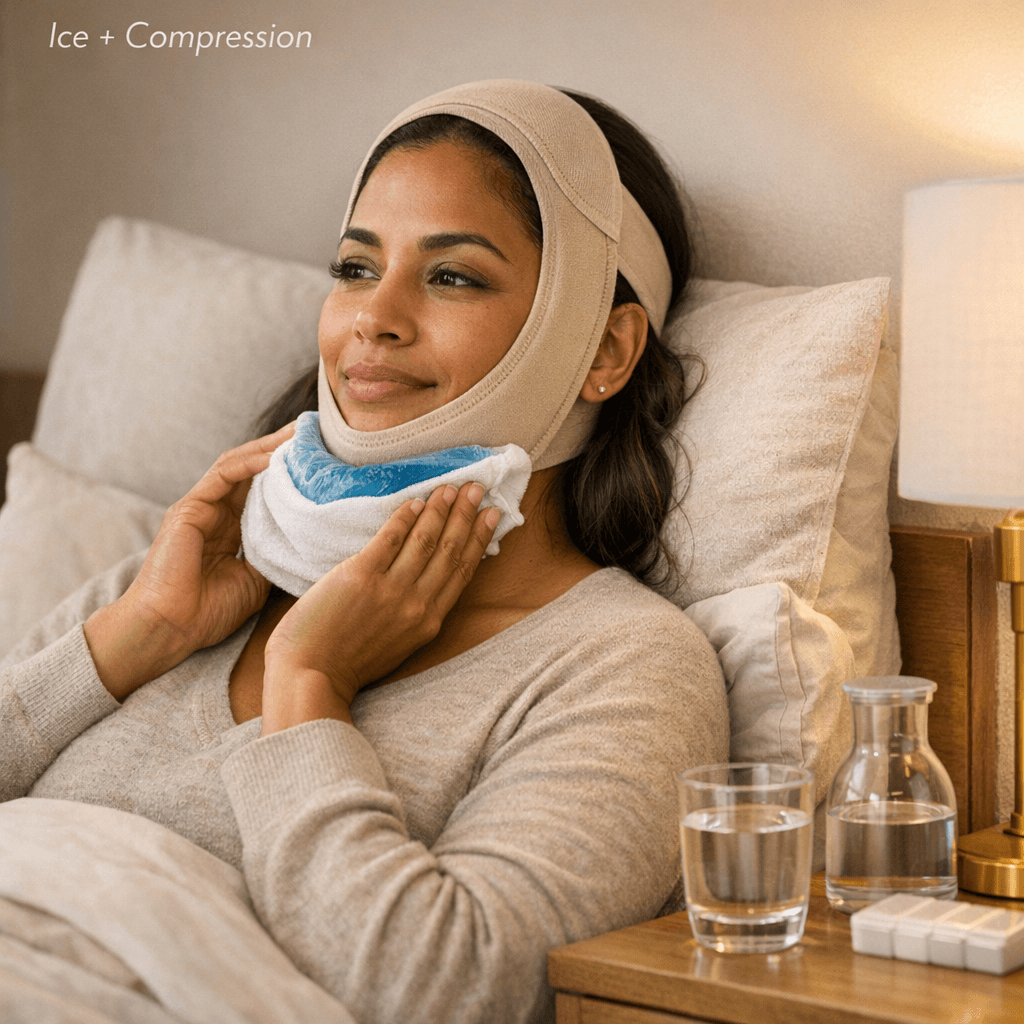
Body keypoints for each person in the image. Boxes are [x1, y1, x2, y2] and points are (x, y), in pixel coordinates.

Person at [0, 81, 728, 1024]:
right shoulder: (179, 583)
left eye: (452, 275)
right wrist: (132, 636)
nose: (369, 321)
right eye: (353, 268)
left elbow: (449, 994)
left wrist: (308, 688)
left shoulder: (622, 668)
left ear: (604, 347)